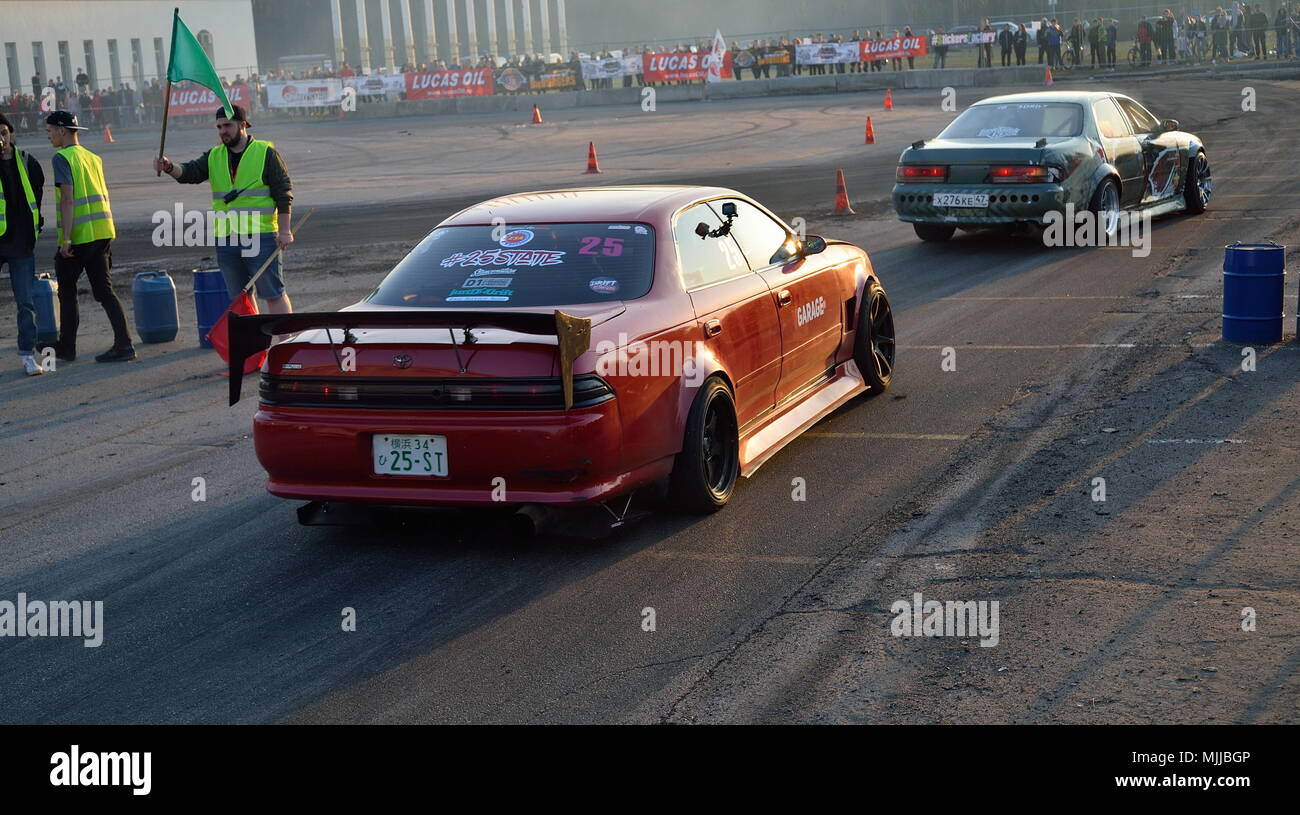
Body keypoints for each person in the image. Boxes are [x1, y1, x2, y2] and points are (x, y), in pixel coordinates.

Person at [153, 105, 294, 313]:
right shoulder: (214, 155)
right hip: (226, 238)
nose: (222, 131)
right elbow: (190, 173)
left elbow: (283, 193)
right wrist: (169, 167)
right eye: (219, 127)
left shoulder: (266, 153)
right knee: (240, 299)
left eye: (227, 125)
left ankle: (285, 343)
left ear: (243, 125)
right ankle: (256, 345)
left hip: (261, 236)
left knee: (273, 294)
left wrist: (284, 231)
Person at [45, 111, 133, 362]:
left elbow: (68, 199)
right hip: (103, 232)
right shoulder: (93, 157)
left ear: (62, 130)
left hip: (80, 237)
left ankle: (66, 347)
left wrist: (66, 240)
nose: (48, 135)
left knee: (68, 291)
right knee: (105, 291)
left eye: (50, 130)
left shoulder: (61, 158)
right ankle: (124, 344)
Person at [0, 113, 46, 375]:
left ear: (11, 134)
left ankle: (27, 354)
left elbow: (37, 195)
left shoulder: (28, 162)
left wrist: (34, 227)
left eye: (4, 133)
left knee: (25, 302)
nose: (1, 139)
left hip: (21, 244)